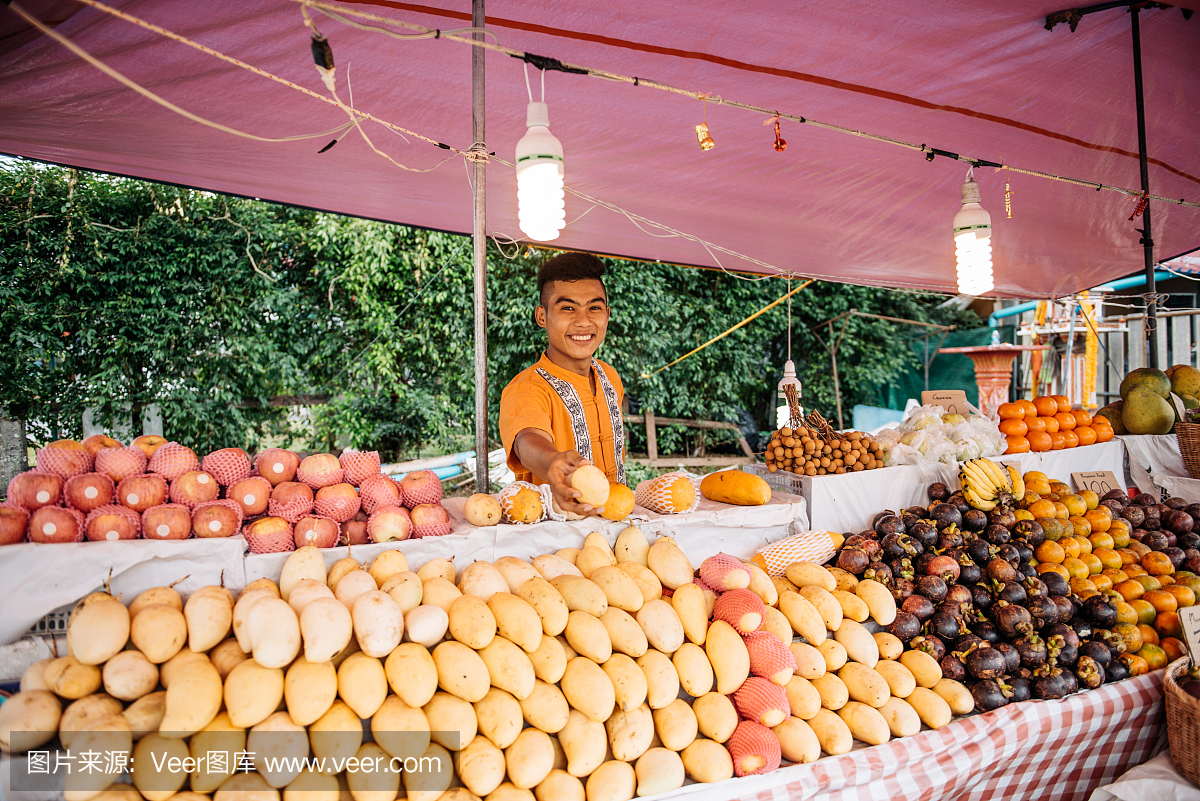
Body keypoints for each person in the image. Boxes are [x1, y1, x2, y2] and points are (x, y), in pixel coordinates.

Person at [499, 252, 626, 517]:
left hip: (614, 523)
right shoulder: (526, 388)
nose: (583, 321)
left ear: (607, 314)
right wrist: (552, 462)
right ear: (541, 316)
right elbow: (528, 440)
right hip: (551, 534)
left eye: (594, 308)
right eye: (568, 308)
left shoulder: (610, 376)